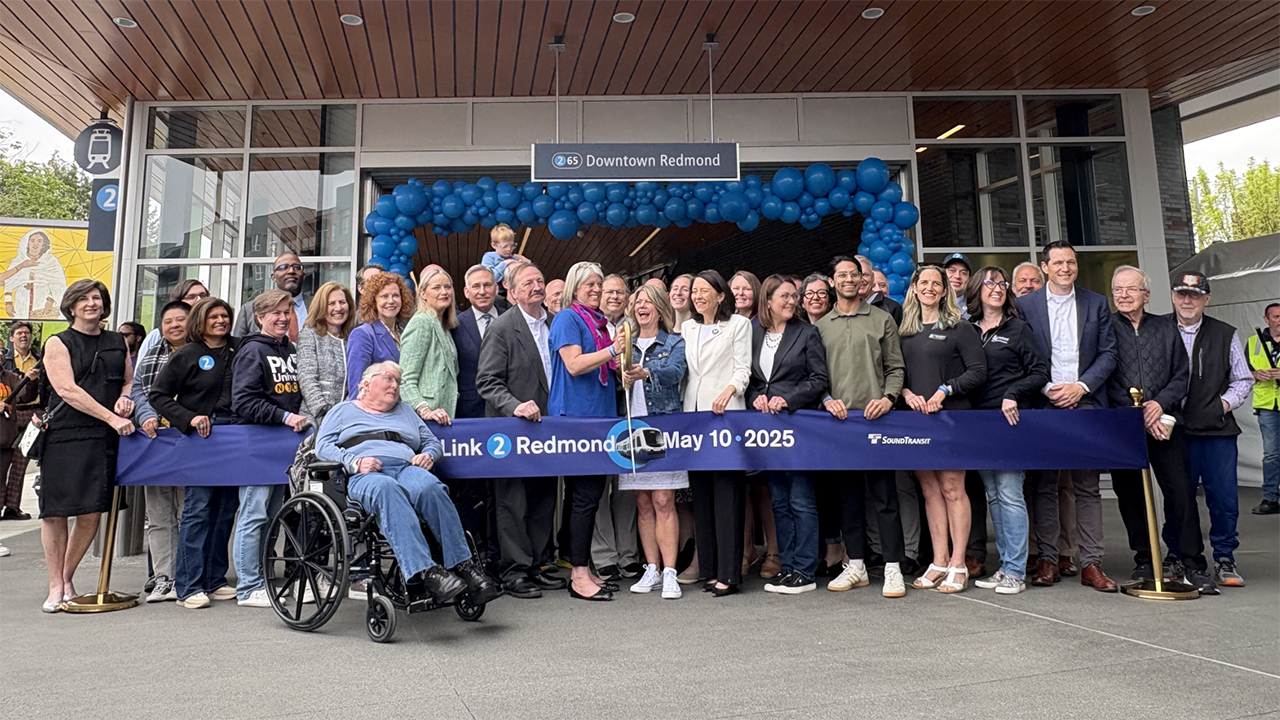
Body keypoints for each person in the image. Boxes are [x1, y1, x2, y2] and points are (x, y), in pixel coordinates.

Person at [315, 361, 501, 606]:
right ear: (367, 383)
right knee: (387, 490)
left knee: (431, 488)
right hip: (366, 475)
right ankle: (427, 571)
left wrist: (429, 455)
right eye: (389, 378)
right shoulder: (342, 411)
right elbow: (322, 447)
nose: (395, 385)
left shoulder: (405, 411)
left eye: (398, 382)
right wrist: (355, 461)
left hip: (405, 468)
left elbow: (431, 442)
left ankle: (465, 567)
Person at [1016, 240, 1118, 592]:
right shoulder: (1025, 305)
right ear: (1044, 267)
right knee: (1044, 484)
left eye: (1070, 262)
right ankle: (1047, 559)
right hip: (1043, 402)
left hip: (1084, 400)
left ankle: (1091, 562)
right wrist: (1047, 388)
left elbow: (1108, 354)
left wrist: (1081, 387)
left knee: (1087, 485)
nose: (1065, 268)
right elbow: (1022, 356)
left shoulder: (1097, 303)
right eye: (1057, 262)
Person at [1105, 266, 1212, 592]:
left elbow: (1181, 375)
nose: (1124, 295)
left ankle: (1194, 563)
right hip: (1124, 425)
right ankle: (1144, 559)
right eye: (1118, 290)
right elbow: (1103, 374)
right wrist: (1134, 410)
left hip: (1164, 424)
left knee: (1180, 492)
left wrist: (1157, 406)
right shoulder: (1105, 328)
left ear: (1146, 295)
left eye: (1131, 289)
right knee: (1130, 495)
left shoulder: (1166, 329)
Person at [37, 280, 135, 612]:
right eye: (83, 299)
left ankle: (66, 577)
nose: (91, 303)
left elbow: (128, 380)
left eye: (96, 298)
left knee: (92, 511)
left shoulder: (117, 340)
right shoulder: (58, 342)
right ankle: (54, 585)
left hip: (103, 434)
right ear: (71, 306)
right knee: (56, 513)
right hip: (66, 433)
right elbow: (67, 390)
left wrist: (125, 399)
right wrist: (112, 418)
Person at [816, 257, 908, 598]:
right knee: (849, 498)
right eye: (842, 274)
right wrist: (826, 398)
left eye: (854, 274)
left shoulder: (882, 319)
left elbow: (896, 368)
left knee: (885, 497)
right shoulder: (822, 326)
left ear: (863, 280)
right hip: (840, 424)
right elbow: (816, 376)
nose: (849, 280)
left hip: (877, 420)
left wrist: (888, 398)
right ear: (832, 280)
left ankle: (893, 568)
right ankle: (856, 565)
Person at [475, 261, 566, 599]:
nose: (536, 286)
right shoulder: (502, 327)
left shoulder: (556, 324)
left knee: (543, 497)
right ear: (511, 293)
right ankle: (514, 571)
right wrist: (515, 405)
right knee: (512, 501)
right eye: (527, 282)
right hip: (511, 428)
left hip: (548, 427)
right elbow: (487, 380)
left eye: (540, 280)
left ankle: (538, 564)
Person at [898, 265, 986, 594]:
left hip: (950, 417)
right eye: (925, 282)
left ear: (946, 290)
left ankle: (959, 564)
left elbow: (978, 372)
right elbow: (897, 372)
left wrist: (945, 390)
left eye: (938, 283)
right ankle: (938, 560)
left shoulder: (959, 328)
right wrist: (906, 394)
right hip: (916, 418)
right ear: (915, 288)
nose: (931, 288)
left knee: (952, 489)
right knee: (930, 491)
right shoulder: (903, 329)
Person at [150, 297, 242, 609]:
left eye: (225, 315)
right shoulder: (187, 354)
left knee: (226, 509)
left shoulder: (239, 348)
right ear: (200, 321)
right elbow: (158, 396)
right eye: (214, 316)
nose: (221, 321)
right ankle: (188, 586)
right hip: (203, 436)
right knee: (198, 508)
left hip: (235, 433)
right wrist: (188, 418)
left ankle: (215, 580)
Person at [965, 267, 1048, 596]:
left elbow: (1040, 371)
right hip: (979, 424)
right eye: (990, 283)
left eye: (1001, 283)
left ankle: (1015, 570)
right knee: (994, 495)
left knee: (1011, 493)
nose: (997, 288)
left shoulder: (1018, 329)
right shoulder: (968, 330)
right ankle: (1005, 566)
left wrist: (1013, 394)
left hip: (1010, 421)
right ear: (977, 290)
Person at [746, 276, 828, 595]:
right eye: (785, 296)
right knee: (779, 499)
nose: (792, 301)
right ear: (767, 300)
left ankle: (805, 570)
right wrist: (756, 396)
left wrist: (789, 399)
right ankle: (788, 566)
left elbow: (818, 379)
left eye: (795, 296)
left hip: (796, 425)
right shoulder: (754, 335)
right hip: (766, 428)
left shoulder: (807, 332)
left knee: (801, 499)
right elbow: (750, 378)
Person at [1171, 271, 1253, 589]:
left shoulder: (1224, 333)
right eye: (1182, 294)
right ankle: (1178, 557)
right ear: (1174, 296)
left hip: (1217, 432)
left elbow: (1243, 378)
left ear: (1207, 299)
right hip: (1175, 431)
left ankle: (1224, 558)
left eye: (1195, 295)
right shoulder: (1161, 328)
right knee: (1179, 499)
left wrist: (1223, 405)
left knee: (1223, 500)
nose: (1187, 300)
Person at [548, 261, 624, 601]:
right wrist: (611, 351)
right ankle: (578, 574)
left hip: (599, 416)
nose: (595, 289)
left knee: (591, 496)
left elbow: (604, 365)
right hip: (577, 419)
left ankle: (584, 565)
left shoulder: (599, 323)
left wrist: (625, 368)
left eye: (599, 283)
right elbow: (575, 364)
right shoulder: (568, 319)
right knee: (584, 496)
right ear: (574, 288)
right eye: (589, 284)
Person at [230, 290, 308, 607]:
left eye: (287, 311)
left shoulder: (290, 350)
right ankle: (248, 586)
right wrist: (284, 415)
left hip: (281, 448)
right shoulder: (252, 352)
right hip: (257, 445)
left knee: (272, 514)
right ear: (260, 317)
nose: (282, 317)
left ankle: (262, 579)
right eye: (274, 312)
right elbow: (244, 401)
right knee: (253, 515)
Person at [682, 270, 751, 596]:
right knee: (703, 496)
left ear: (721, 295)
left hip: (725, 415)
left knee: (727, 497)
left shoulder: (738, 325)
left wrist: (730, 389)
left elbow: (742, 368)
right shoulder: (687, 327)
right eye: (694, 290)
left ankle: (729, 573)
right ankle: (709, 569)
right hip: (694, 420)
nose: (697, 295)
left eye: (703, 290)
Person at [618, 284, 688, 599]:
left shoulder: (674, 342)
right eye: (637, 303)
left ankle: (671, 571)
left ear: (660, 307)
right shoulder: (624, 341)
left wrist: (645, 372)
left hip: (662, 426)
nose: (641, 307)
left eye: (647, 302)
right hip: (631, 428)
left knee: (663, 500)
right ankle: (652, 569)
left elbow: (676, 372)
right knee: (643, 501)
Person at [130, 300, 191, 603]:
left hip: (189, 439)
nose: (174, 326)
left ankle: (186, 577)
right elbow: (138, 389)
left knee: (186, 510)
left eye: (181, 319)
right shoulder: (152, 353)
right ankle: (164, 577)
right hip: (154, 439)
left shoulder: (201, 352)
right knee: (158, 513)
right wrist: (145, 416)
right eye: (168, 321)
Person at [729, 270, 780, 578]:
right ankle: (746, 549)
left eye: (746, 287)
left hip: (761, 409)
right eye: (735, 287)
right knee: (741, 487)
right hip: (735, 410)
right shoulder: (724, 324)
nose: (741, 292)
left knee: (764, 486)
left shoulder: (764, 325)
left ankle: (772, 551)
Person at [451, 265, 502, 562]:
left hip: (505, 415)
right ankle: (474, 552)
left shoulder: (510, 316)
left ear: (496, 288)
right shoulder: (456, 324)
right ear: (467, 293)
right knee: (469, 491)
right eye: (476, 287)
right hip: (468, 417)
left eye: (487, 285)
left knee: (501, 490)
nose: (482, 291)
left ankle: (499, 552)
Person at [593, 274, 640, 580]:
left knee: (626, 488)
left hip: (630, 413)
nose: (613, 297)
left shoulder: (636, 326)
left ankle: (628, 554)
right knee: (599, 488)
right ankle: (604, 554)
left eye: (619, 292)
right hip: (599, 411)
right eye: (608, 292)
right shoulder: (591, 326)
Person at [401, 267, 460, 424]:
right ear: (423, 294)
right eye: (436, 287)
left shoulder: (443, 325)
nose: (444, 292)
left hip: (444, 415)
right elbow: (405, 379)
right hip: (426, 420)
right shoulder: (421, 322)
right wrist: (424, 410)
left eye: (448, 287)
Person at [345, 272, 412, 400]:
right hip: (376, 414)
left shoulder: (404, 332)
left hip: (402, 410)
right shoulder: (363, 334)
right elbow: (357, 388)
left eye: (396, 295)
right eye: (384, 296)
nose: (391, 301)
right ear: (373, 301)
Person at [296, 282, 355, 422]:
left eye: (342, 302)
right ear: (321, 307)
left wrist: (346, 411)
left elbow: (355, 381)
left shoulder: (352, 338)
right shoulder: (309, 335)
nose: (338, 308)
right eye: (331, 303)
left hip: (347, 417)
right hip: (315, 418)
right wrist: (323, 411)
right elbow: (307, 378)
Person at [1, 321, 40, 520]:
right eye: (19, 333)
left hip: (32, 414)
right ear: (12, 337)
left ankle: (12, 507)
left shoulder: (39, 360)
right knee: (2, 464)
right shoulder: (5, 362)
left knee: (21, 462)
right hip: (8, 417)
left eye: (26, 333)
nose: (23, 336)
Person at [1248, 303, 1280, 515]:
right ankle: (1270, 498)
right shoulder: (1253, 342)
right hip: (1267, 405)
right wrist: (1255, 375)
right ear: (1266, 319)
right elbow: (1241, 372)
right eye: (1276, 316)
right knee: (1271, 454)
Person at [234, 252, 307, 340]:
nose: (291, 271)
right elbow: (238, 345)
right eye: (283, 267)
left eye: (296, 267)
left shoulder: (320, 306)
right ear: (273, 277)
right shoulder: (249, 309)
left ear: (303, 276)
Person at [136, 279, 210, 363]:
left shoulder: (214, 332)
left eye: (203, 295)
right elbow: (141, 373)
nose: (199, 300)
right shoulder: (158, 335)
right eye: (191, 297)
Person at [3, 230, 66, 319]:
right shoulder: (18, 261)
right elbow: (8, 283)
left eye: (39, 241)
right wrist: (8, 303)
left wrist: (50, 300)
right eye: (32, 241)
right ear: (27, 243)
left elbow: (59, 283)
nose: (35, 244)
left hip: (43, 301)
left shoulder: (51, 261)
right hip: (22, 301)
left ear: (44, 244)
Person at [857, 256, 903, 325]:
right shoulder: (839, 306)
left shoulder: (892, 308)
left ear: (872, 277)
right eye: (856, 275)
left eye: (865, 275)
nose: (861, 279)